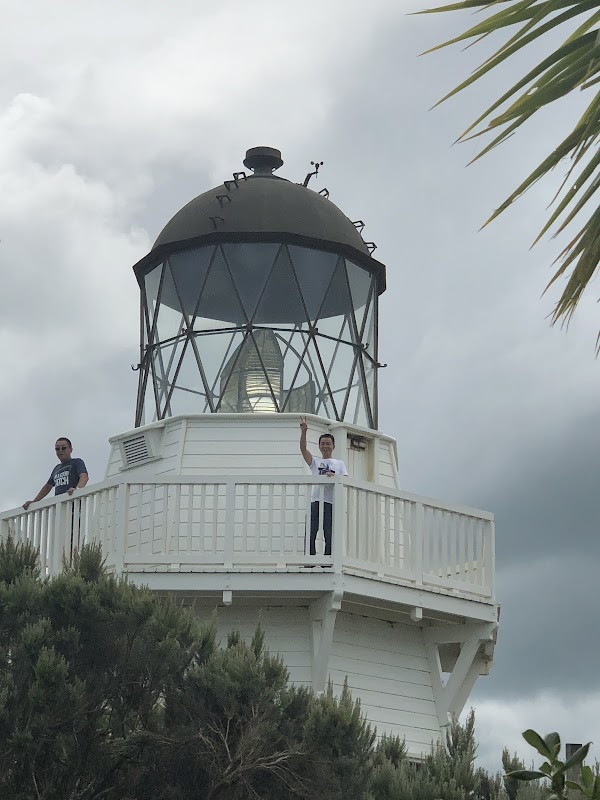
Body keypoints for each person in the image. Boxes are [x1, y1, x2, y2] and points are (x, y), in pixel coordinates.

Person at [299, 417, 348, 556]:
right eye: (323, 443)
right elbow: (303, 449)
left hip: (330, 502)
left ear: (333, 446)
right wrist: (304, 431)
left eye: (328, 443)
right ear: (319, 446)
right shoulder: (315, 461)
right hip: (316, 501)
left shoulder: (339, 463)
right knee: (311, 531)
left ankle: (328, 561)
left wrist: (335, 476)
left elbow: (345, 480)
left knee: (329, 533)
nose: (325, 446)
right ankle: (310, 559)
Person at [23, 438, 89, 510]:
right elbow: (47, 487)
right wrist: (34, 501)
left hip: (74, 506)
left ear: (70, 449)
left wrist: (77, 489)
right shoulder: (56, 468)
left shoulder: (77, 462)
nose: (60, 450)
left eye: (63, 448)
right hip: (59, 507)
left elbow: (84, 476)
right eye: (57, 449)